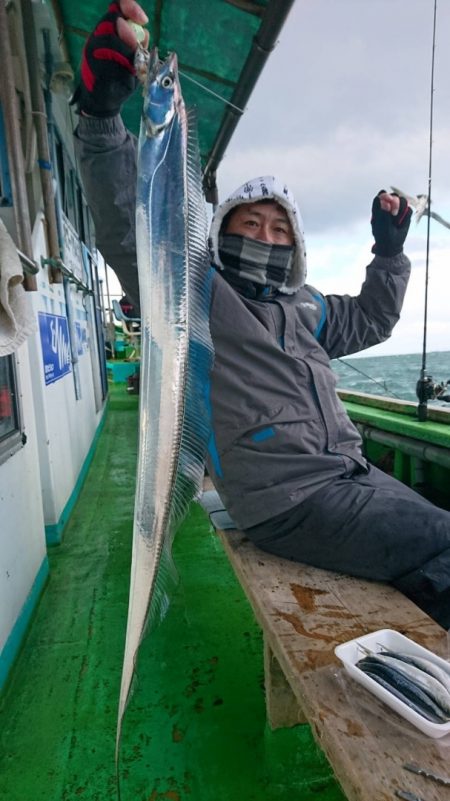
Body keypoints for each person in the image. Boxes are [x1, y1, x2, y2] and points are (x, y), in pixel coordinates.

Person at [72, 1, 450, 629]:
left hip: (351, 476)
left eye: (280, 229)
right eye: (251, 223)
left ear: (295, 248)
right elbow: (130, 226)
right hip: (288, 501)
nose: (266, 236)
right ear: (223, 232)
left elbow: (375, 321)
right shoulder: (201, 291)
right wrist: (100, 117)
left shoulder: (305, 308)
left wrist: (388, 250)